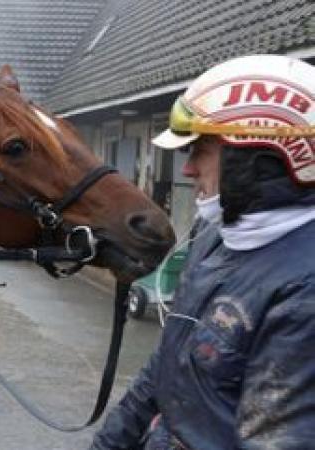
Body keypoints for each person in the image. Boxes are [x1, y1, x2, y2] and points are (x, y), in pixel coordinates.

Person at [91, 54, 315, 449]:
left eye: (201, 150)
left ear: (260, 160)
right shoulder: (214, 236)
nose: (188, 170)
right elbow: (164, 368)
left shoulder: (304, 291)